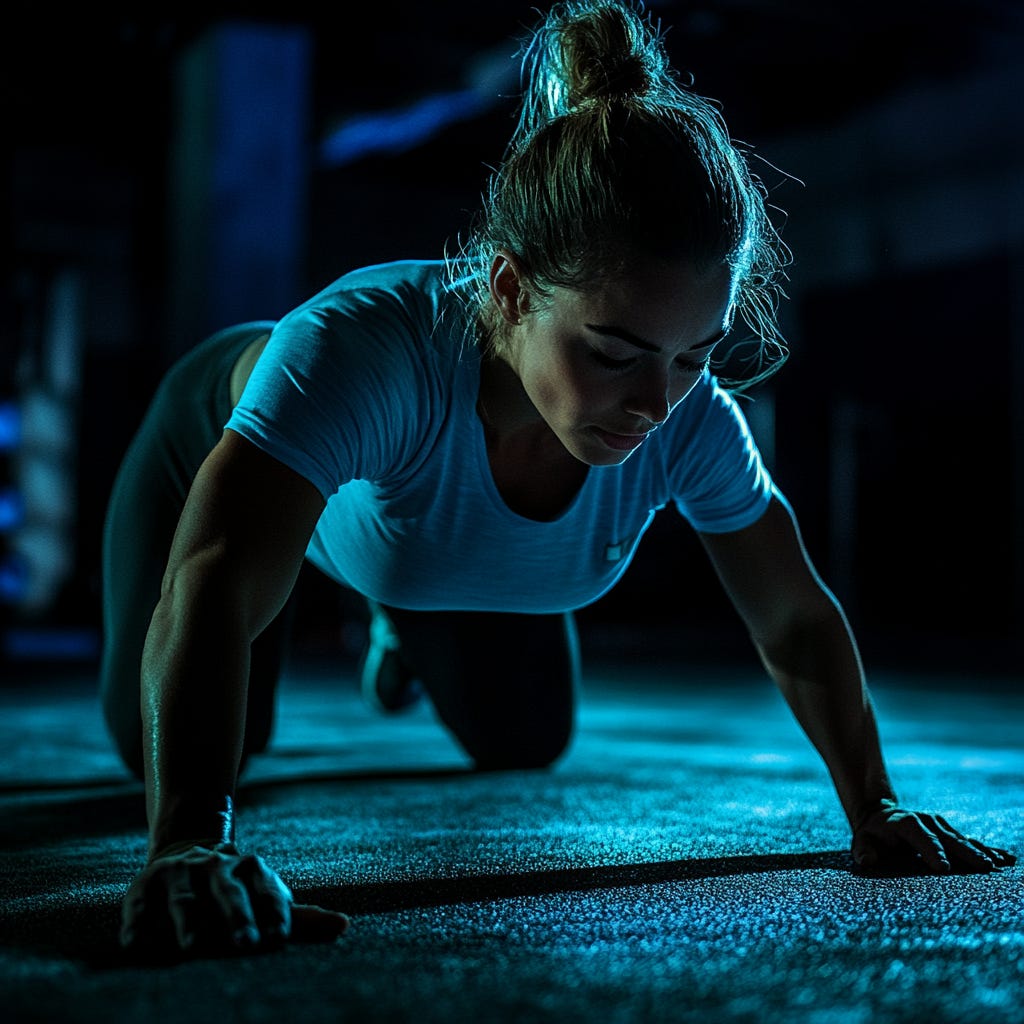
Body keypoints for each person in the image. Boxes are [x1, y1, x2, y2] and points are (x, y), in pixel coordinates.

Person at [102, 0, 1015, 957]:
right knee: (200, 747)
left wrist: (874, 808)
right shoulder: (361, 352)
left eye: (693, 353)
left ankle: (396, 603)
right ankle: (357, 580)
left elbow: (790, 616)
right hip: (216, 448)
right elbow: (210, 576)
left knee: (526, 741)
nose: (656, 402)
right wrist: (188, 844)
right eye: (614, 352)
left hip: (402, 529)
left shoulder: (690, 413)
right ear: (507, 289)